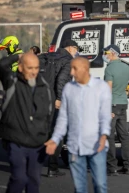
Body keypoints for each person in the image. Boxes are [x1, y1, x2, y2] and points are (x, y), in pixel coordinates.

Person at [45, 57, 112, 193]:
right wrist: (55, 139)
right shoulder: (69, 89)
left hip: (96, 145)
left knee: (100, 185)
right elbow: (63, 118)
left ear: (85, 69)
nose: (71, 72)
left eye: (75, 68)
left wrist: (104, 135)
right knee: (80, 188)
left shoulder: (101, 87)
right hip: (75, 147)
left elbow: (105, 115)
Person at [0, 52, 54, 193]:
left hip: (38, 142)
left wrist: (50, 137)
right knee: (20, 178)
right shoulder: (12, 81)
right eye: (30, 68)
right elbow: (1, 65)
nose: (34, 72)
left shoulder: (45, 87)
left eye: (36, 68)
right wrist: (17, 56)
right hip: (16, 140)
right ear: (21, 67)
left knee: (34, 181)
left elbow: (49, 114)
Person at [103, 44, 129, 176]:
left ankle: (112, 167)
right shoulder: (125, 66)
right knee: (124, 135)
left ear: (113, 53)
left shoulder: (109, 69)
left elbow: (108, 89)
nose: (105, 55)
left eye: (106, 52)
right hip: (123, 104)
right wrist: (128, 91)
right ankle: (127, 165)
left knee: (109, 136)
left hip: (112, 105)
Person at [45, 39, 80, 178]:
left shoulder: (50, 57)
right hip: (57, 100)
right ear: (70, 48)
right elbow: (61, 80)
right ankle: (53, 167)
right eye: (76, 49)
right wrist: (59, 98)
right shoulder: (68, 60)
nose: (76, 52)